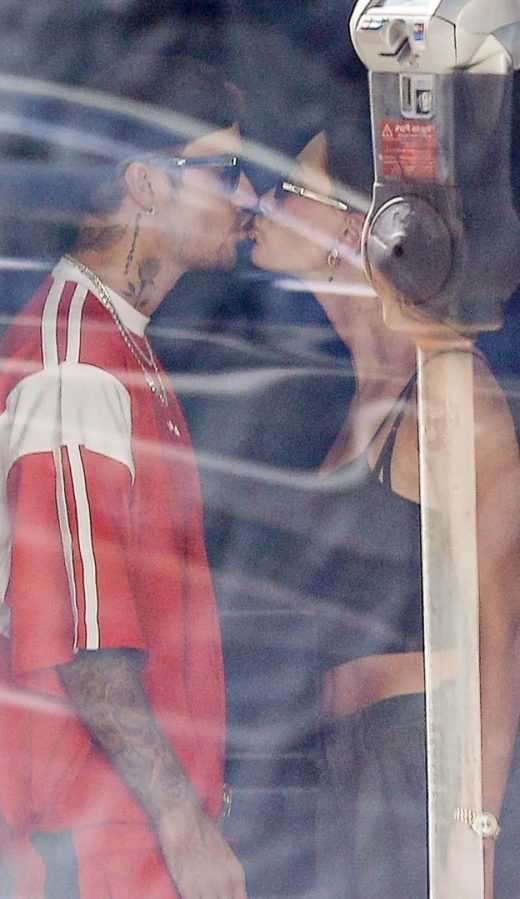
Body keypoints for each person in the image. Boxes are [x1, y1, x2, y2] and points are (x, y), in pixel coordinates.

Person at [0, 57, 255, 899]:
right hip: (97, 846)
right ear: (145, 182)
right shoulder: (78, 362)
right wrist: (183, 822)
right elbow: (83, 642)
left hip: (125, 840)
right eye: (228, 173)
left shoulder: (115, 341)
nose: (249, 198)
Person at [251, 130, 520, 898]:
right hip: (351, 765)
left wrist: (476, 830)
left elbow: (501, 624)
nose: (261, 203)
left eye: (287, 189)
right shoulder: (361, 388)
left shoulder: (446, 385)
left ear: (353, 223)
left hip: (419, 762)